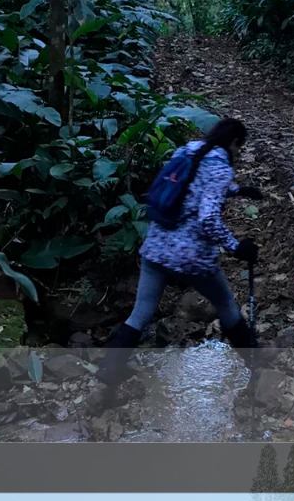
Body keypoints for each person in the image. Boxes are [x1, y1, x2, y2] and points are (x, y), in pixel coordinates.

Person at [100, 117, 262, 383]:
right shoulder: (221, 168)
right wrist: (236, 247)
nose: (237, 153)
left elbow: (187, 185)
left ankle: (109, 372)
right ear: (234, 142)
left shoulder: (187, 150)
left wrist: (237, 191)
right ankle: (255, 366)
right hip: (191, 257)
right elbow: (208, 218)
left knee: (140, 313)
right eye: (238, 148)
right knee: (226, 305)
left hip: (157, 245)